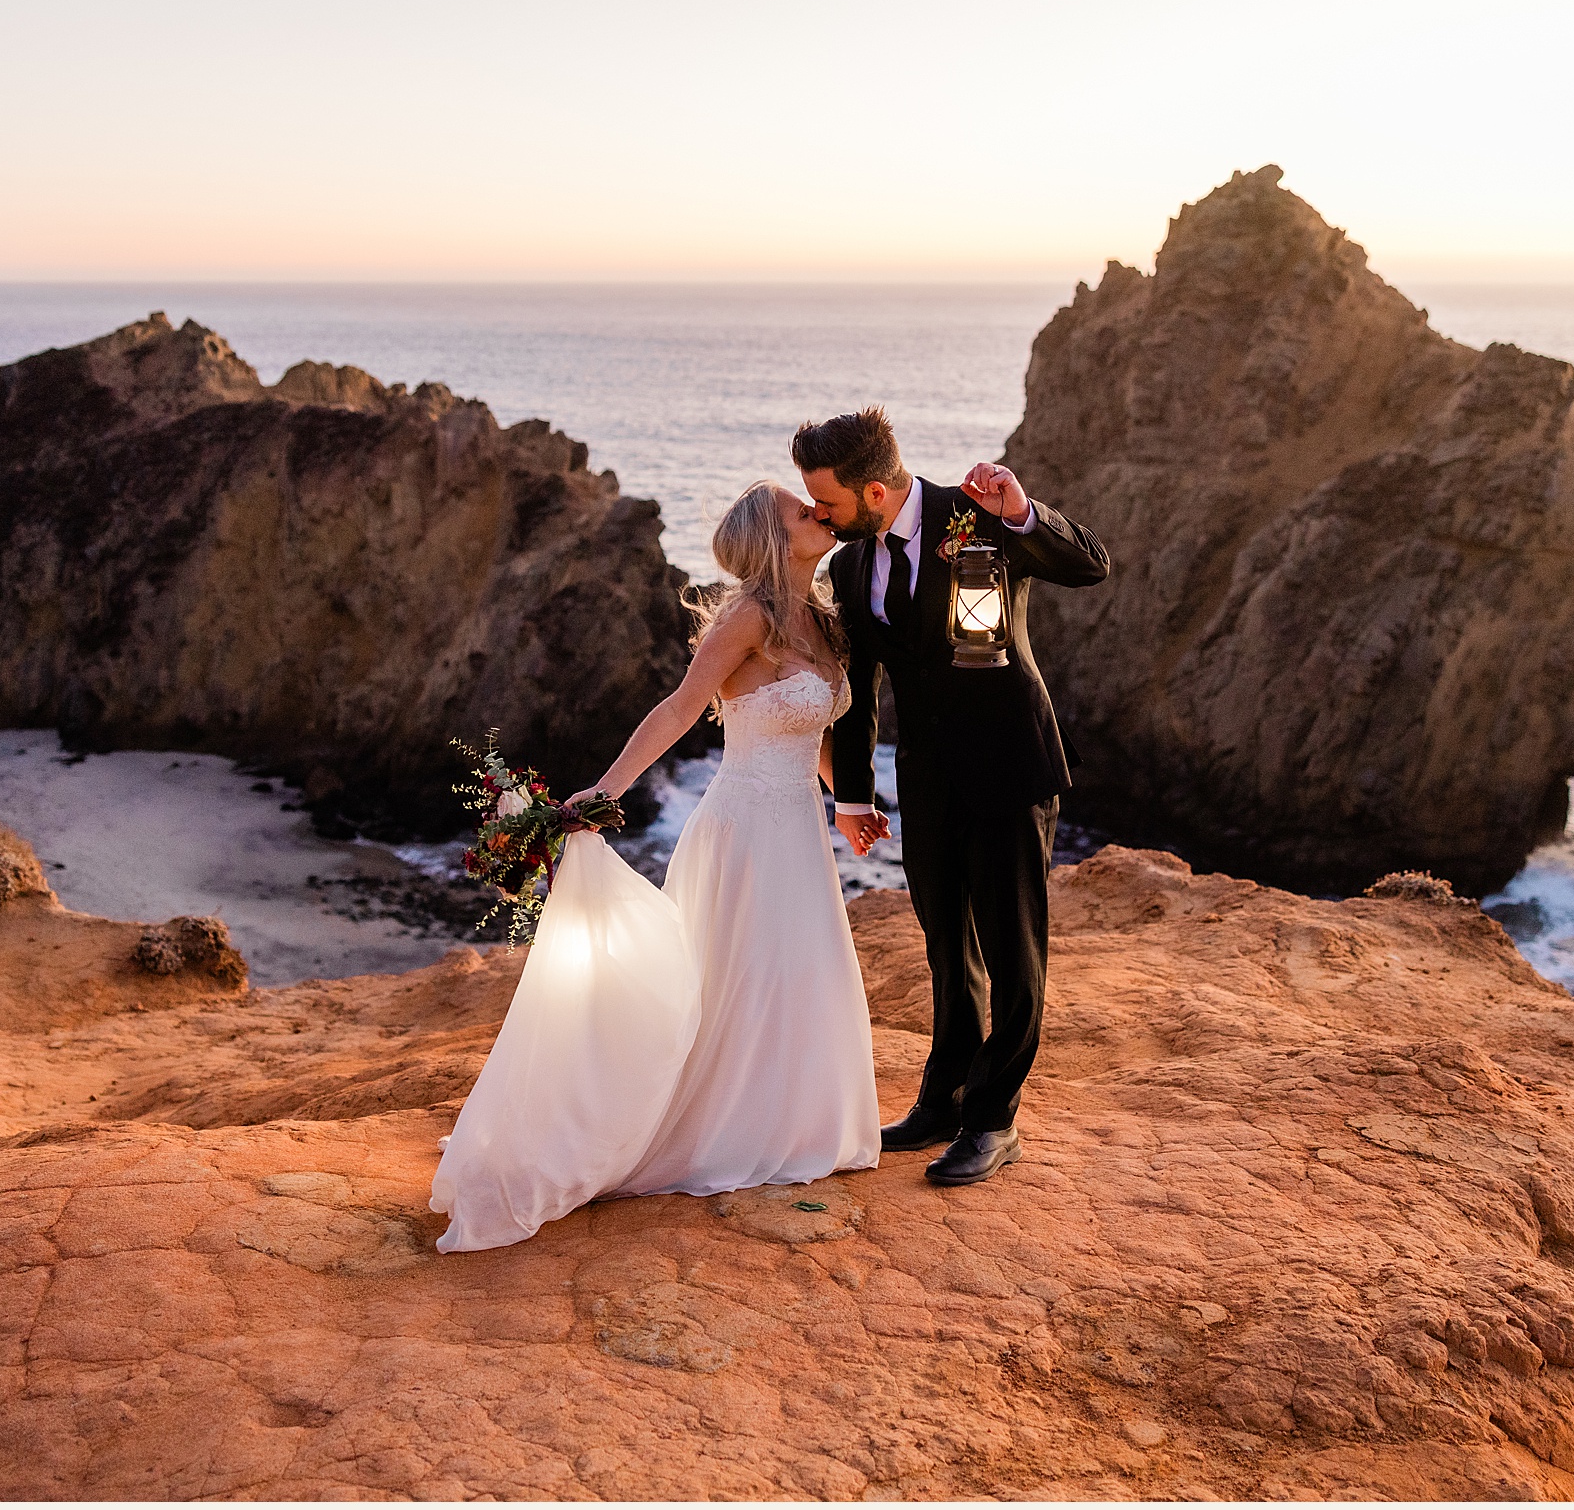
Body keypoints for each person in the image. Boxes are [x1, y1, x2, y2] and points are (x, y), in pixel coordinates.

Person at [429, 480, 880, 1251]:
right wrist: (603, 792)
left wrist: (849, 802)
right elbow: (678, 707)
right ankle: (702, 1131)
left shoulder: (826, 623)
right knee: (736, 979)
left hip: (799, 828)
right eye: (798, 510)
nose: (817, 512)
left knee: (796, 974)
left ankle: (786, 1123)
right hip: (742, 830)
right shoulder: (749, 618)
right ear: (771, 537)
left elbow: (817, 736)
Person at [792, 407, 1109, 1186]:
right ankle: (946, 1098)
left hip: (1011, 767)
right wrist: (855, 796)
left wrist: (1025, 512)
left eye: (827, 504)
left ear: (872, 490)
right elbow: (861, 691)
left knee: (1011, 950)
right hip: (926, 781)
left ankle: (994, 1121)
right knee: (946, 946)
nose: (818, 517)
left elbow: (1090, 564)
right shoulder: (847, 566)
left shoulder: (980, 515)